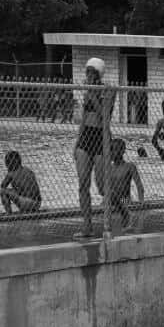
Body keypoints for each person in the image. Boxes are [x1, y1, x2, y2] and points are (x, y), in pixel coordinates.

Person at [74, 56, 110, 239]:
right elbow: (84, 117)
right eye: (87, 73)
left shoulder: (107, 91)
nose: (88, 76)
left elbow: (105, 116)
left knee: (103, 187)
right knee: (83, 184)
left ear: (97, 75)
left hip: (100, 137)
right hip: (86, 135)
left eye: (91, 73)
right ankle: (87, 226)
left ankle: (119, 214)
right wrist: (77, 142)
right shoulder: (87, 93)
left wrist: (93, 94)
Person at [104, 137, 145, 233]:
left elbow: (139, 186)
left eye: (115, 149)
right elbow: (106, 188)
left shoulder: (129, 166)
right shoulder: (109, 168)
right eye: (111, 150)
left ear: (123, 151)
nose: (112, 152)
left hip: (124, 199)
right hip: (111, 200)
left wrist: (141, 202)